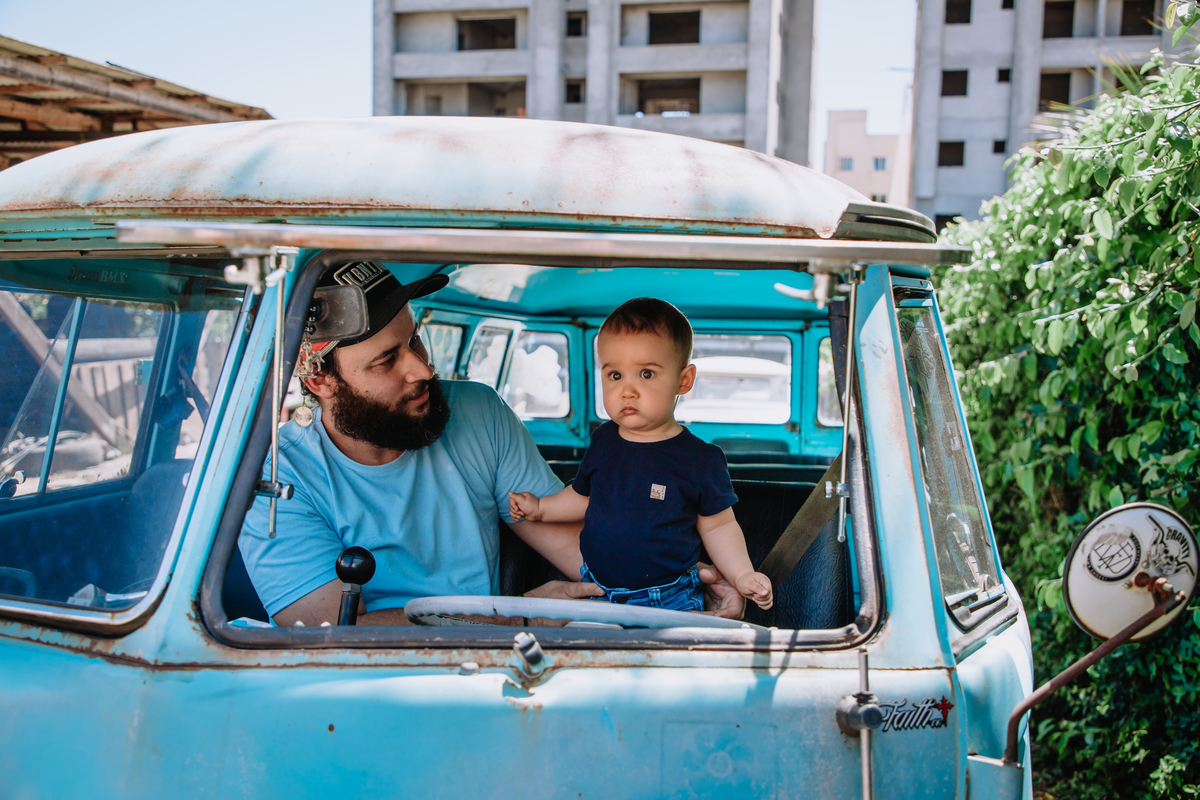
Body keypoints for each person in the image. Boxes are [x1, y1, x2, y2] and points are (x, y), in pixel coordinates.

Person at [239, 263, 745, 626]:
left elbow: (577, 545)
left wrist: (679, 585)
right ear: (321, 383)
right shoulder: (273, 480)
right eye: (386, 360)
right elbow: (334, 636)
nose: (422, 369)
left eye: (415, 340)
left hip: (490, 669)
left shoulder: (477, 413)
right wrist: (519, 618)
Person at [509, 297, 773, 613]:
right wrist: (541, 509)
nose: (627, 390)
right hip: (598, 590)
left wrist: (742, 574)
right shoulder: (603, 441)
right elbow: (583, 497)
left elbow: (718, 527)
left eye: (646, 374)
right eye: (615, 375)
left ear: (683, 380)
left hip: (671, 597)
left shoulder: (701, 459)